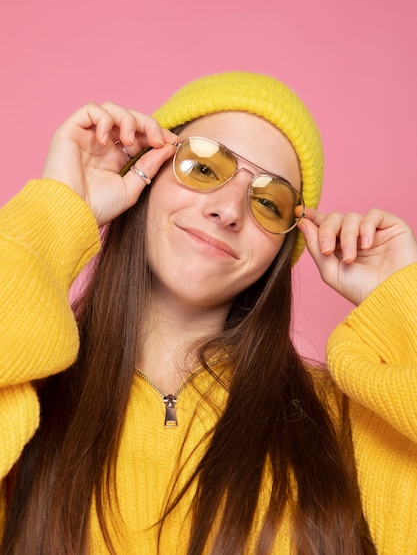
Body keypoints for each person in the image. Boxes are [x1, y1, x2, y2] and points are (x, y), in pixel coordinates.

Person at [0, 71, 416, 555]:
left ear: (286, 244)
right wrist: (57, 212)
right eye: (202, 167)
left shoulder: (342, 421)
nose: (230, 210)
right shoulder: (28, 391)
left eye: (269, 201)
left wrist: (401, 302)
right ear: (147, 174)